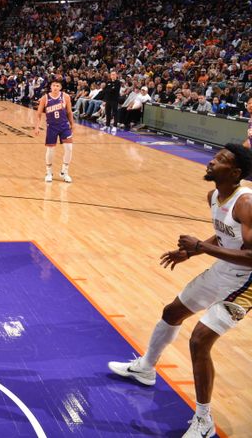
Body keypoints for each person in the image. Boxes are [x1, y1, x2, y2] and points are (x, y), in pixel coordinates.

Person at [108, 144, 252, 438]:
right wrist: (192, 253)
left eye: (221, 160)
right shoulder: (213, 195)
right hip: (223, 271)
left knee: (200, 341)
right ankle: (146, 368)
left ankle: (204, 420)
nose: (212, 161)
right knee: (172, 313)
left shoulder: (246, 204)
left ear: (235, 173)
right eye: (216, 156)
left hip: (246, 283)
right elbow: (227, 233)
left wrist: (200, 246)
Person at [34, 78, 74, 183]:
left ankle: (64, 171)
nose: (55, 87)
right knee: (50, 150)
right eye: (54, 85)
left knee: (69, 148)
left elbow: (69, 112)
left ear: (60, 87)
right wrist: (37, 126)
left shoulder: (66, 97)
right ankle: (49, 172)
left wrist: (72, 124)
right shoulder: (45, 98)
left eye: (57, 86)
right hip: (51, 126)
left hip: (64, 126)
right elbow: (38, 114)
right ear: (50, 87)